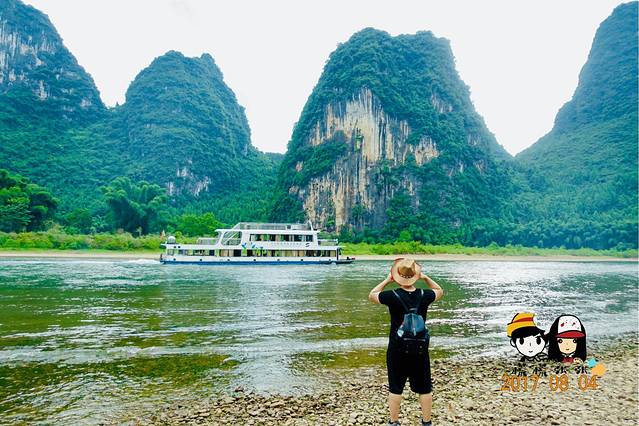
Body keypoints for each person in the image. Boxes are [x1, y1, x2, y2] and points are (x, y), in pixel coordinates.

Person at [368, 258, 444, 426]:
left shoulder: (392, 296)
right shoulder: (424, 295)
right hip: (420, 348)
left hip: (397, 348)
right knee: (425, 388)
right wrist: (425, 277)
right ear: (415, 275)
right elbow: (439, 290)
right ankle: (426, 422)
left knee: (396, 388)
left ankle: (394, 422)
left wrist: (387, 280)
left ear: (397, 276)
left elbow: (372, 295)